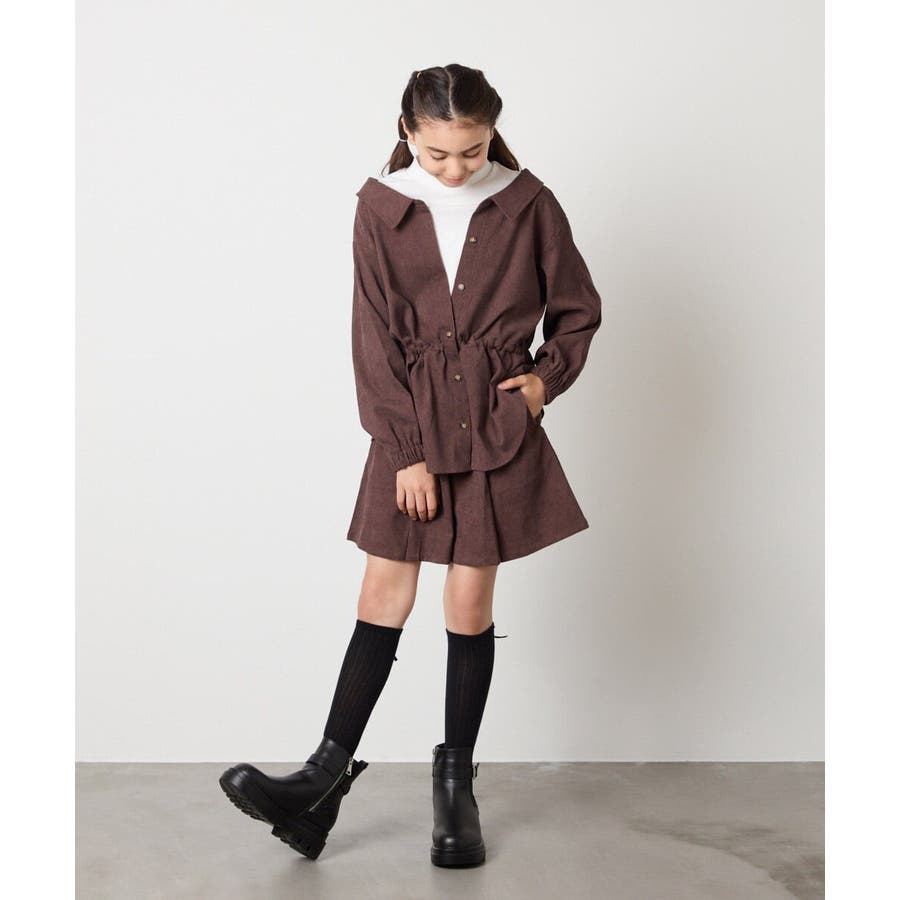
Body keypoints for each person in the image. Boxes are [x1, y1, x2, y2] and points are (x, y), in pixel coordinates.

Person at [219, 63, 603, 868]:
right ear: (407, 132)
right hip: (412, 428)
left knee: (467, 602)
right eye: (437, 154)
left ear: (492, 134)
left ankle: (455, 786)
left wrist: (543, 383)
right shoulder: (381, 206)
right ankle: (320, 781)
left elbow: (576, 310)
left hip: (495, 427)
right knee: (382, 592)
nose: (455, 169)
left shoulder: (528, 202)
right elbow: (372, 336)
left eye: (472, 151)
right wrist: (406, 452)